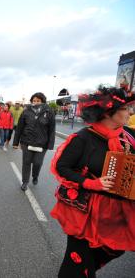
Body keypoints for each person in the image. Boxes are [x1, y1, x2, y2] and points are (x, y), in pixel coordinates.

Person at [50, 85, 135, 277]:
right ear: (108, 112)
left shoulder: (129, 135)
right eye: (125, 109)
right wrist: (91, 183)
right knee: (78, 261)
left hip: (115, 212)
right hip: (84, 211)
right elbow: (62, 167)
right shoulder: (83, 138)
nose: (130, 112)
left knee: (113, 249)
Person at [13, 92, 55, 191]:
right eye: (34, 101)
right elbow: (19, 128)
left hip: (42, 143)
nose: (35, 102)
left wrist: (50, 144)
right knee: (26, 162)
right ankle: (25, 182)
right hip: (26, 142)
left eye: (38, 101)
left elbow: (52, 129)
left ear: (43, 102)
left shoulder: (49, 112)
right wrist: (15, 142)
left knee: (37, 163)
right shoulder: (26, 111)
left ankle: (35, 176)